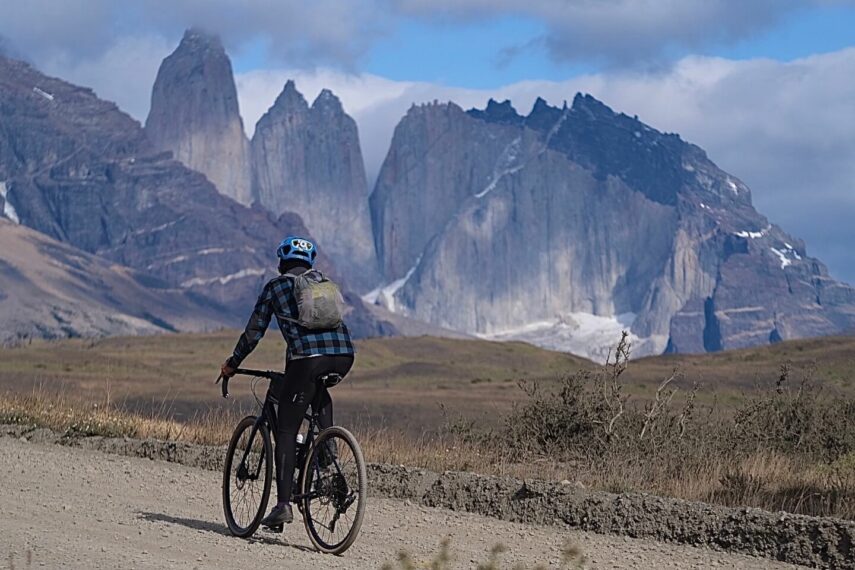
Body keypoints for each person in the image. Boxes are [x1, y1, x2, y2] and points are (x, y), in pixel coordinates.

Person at [220, 236, 355, 528]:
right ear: (308, 263)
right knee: (317, 395)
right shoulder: (323, 284)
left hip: (307, 360)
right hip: (343, 356)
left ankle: (282, 505)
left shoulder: (276, 286)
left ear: (282, 261)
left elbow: (254, 332)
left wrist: (233, 363)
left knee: (285, 428)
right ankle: (325, 458)